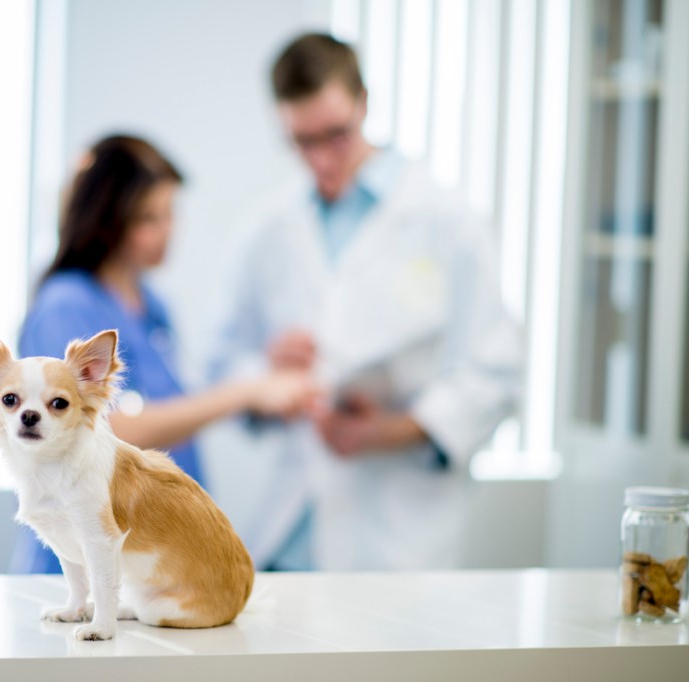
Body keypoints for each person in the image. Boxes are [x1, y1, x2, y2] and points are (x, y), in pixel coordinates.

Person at [212, 33, 523, 571]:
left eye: (336, 135)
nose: (322, 158)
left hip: (397, 532)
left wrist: (390, 431)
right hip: (292, 531)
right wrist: (268, 370)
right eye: (302, 142)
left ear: (364, 103)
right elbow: (223, 361)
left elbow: (495, 374)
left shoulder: (447, 221)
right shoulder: (267, 227)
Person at [11, 134, 317, 573]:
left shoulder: (153, 307)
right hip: (79, 565)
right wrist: (244, 393)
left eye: (170, 213)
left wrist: (265, 374)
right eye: (148, 218)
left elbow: (174, 408)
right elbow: (104, 432)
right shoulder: (67, 305)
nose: (167, 231)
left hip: (147, 559)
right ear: (106, 220)